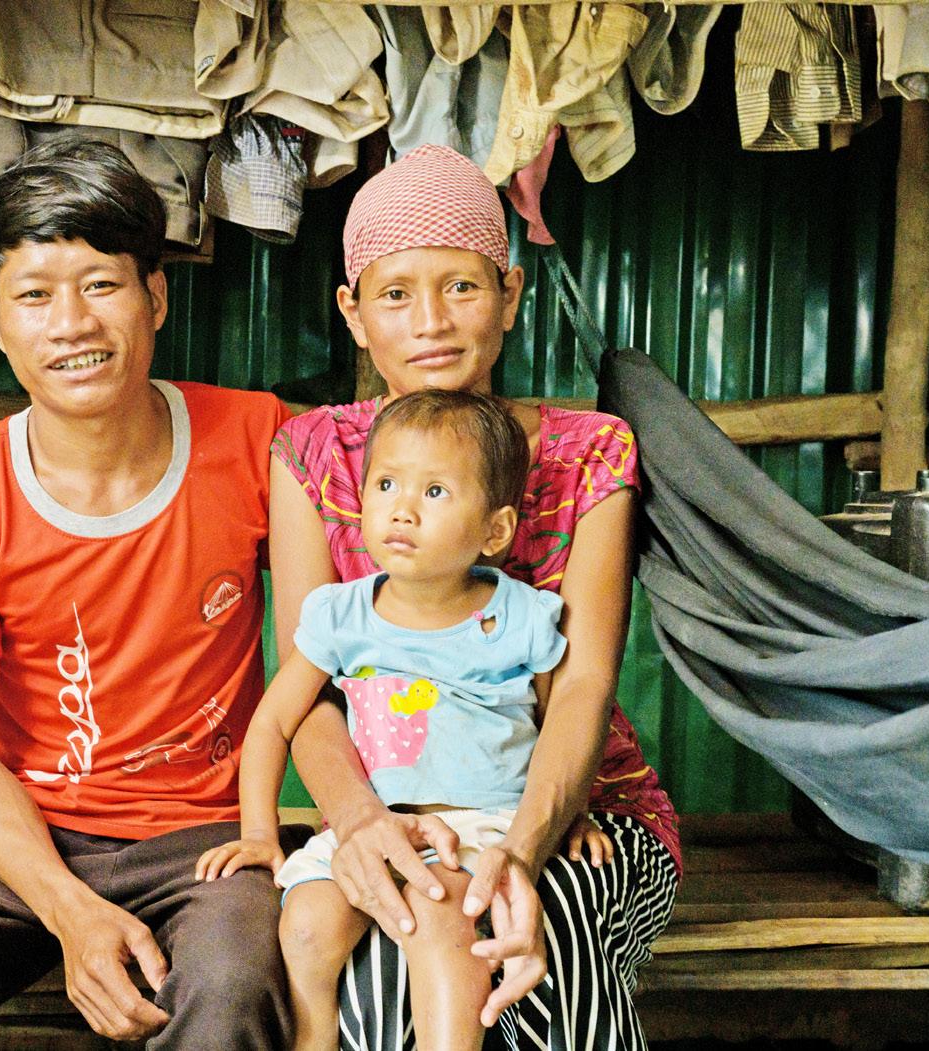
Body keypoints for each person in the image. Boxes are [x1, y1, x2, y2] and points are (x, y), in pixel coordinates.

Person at [0, 139, 292, 1050]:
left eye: (101, 285)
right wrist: (69, 910)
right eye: (34, 295)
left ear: (155, 296)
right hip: (22, 836)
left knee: (235, 989)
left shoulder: (256, 439)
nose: (71, 323)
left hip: (205, 838)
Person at [269, 144, 683, 1050]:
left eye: (460, 286)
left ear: (510, 294)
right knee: (383, 960)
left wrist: (523, 845)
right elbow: (308, 693)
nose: (430, 322)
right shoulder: (312, 454)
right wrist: (362, 822)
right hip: (391, 809)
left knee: (541, 938)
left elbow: (582, 682)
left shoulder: (588, 451)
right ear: (352, 313)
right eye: (394, 294)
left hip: (585, 817)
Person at [198, 389, 614, 1051]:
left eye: (435, 492)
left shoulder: (521, 616)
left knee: (439, 920)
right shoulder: (341, 616)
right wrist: (257, 834)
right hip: (371, 825)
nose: (401, 509)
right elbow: (275, 721)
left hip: (479, 826)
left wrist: (570, 814)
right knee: (306, 924)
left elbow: (555, 724)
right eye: (386, 484)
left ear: (495, 531)